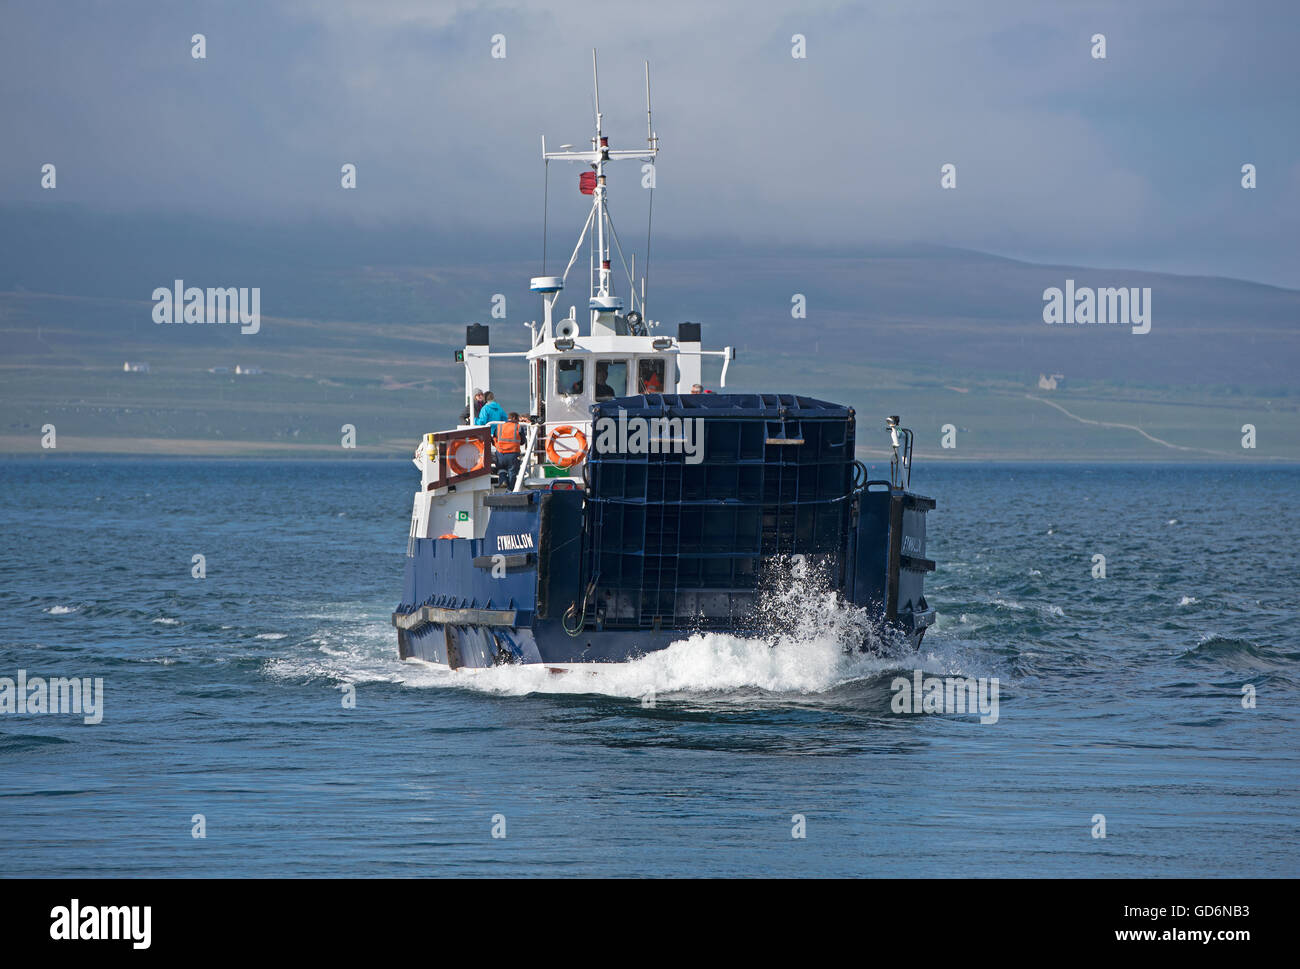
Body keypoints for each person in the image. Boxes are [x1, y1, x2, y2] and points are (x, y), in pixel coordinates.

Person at [493, 412, 524, 485]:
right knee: (512, 472)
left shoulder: (499, 427)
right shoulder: (518, 427)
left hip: (500, 453)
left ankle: (503, 479)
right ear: (514, 418)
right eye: (518, 420)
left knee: (501, 468)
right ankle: (510, 490)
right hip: (513, 454)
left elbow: (494, 438)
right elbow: (523, 441)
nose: (518, 422)